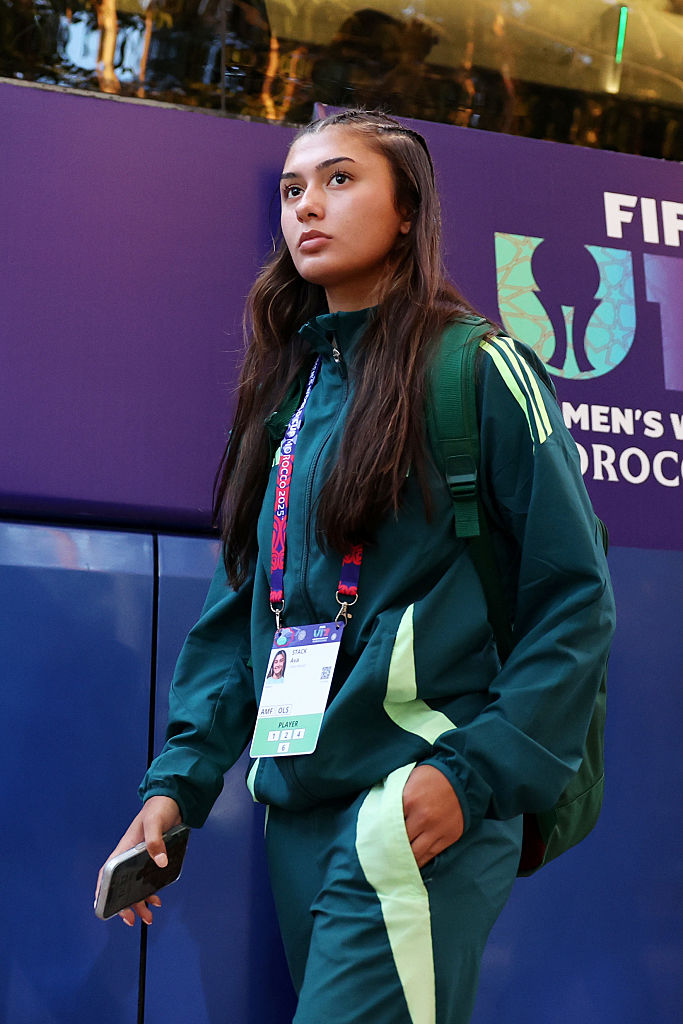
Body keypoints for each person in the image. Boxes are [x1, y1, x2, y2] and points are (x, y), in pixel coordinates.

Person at [98, 109, 615, 1024]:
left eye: (340, 180)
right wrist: (176, 784)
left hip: (417, 793)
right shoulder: (287, 397)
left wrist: (467, 777)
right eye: (292, 189)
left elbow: (573, 598)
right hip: (297, 810)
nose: (307, 205)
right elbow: (238, 616)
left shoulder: (478, 368)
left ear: (407, 210)